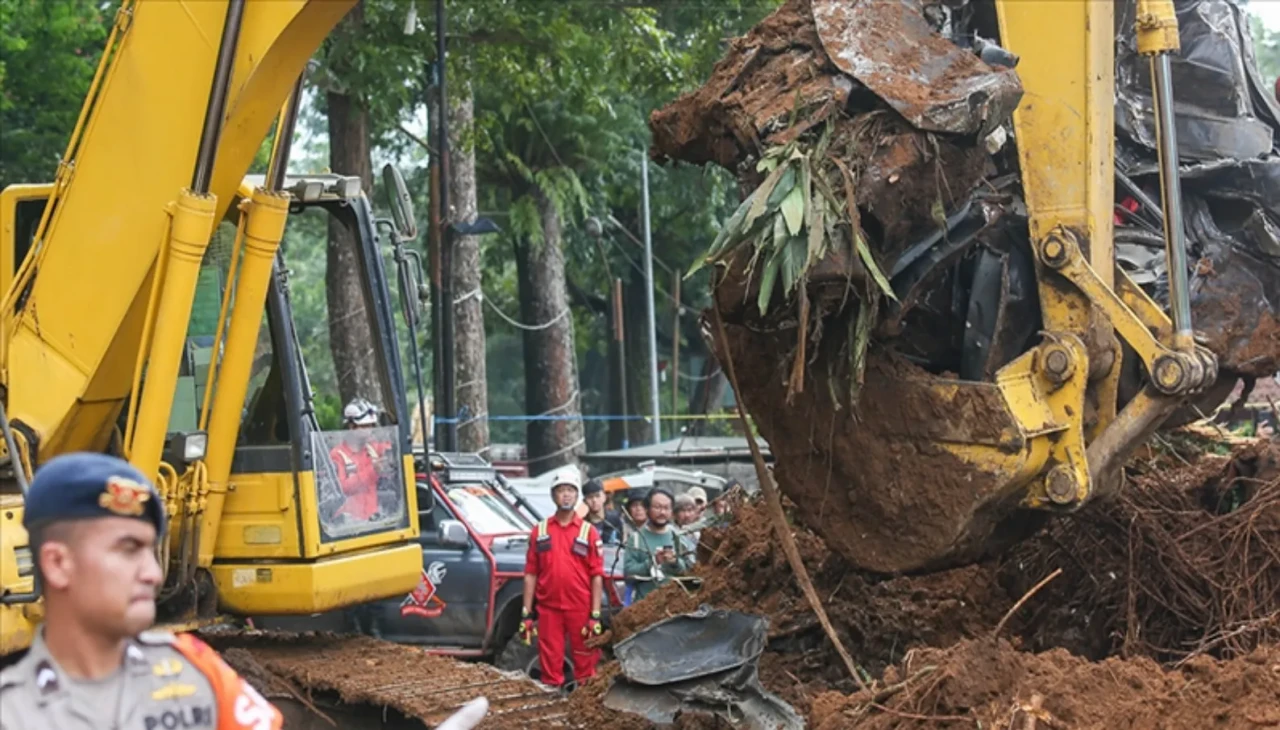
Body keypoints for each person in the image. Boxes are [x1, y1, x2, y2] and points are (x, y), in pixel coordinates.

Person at [0, 452, 285, 730]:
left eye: (150, 551)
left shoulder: (198, 673)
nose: (153, 574)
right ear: (58, 563)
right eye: (128, 550)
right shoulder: (12, 713)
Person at [520, 467, 605, 691]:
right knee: (550, 664)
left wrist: (595, 615)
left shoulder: (589, 532)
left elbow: (597, 576)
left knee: (586, 664)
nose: (566, 495)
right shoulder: (540, 531)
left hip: (580, 609)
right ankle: (552, 711)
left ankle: (586, 713)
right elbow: (530, 574)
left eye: (570, 490)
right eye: (561, 490)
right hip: (549, 609)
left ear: (578, 496)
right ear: (553, 495)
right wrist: (526, 613)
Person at [329, 397, 393, 522]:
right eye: (364, 426)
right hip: (349, 523)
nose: (370, 430)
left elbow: (391, 452)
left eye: (371, 426)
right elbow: (342, 489)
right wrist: (372, 470)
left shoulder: (373, 448)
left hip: (372, 519)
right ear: (351, 426)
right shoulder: (337, 454)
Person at [623, 488, 692, 601]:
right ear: (647, 509)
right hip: (644, 607)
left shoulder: (680, 538)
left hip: (675, 605)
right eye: (657, 507)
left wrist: (675, 562)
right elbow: (628, 574)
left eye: (666, 508)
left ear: (671, 511)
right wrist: (653, 561)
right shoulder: (636, 539)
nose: (662, 512)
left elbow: (692, 571)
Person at [581, 479, 623, 545]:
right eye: (590, 497)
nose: (594, 500)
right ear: (585, 501)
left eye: (597, 496)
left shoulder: (615, 520)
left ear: (604, 497)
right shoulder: (582, 525)